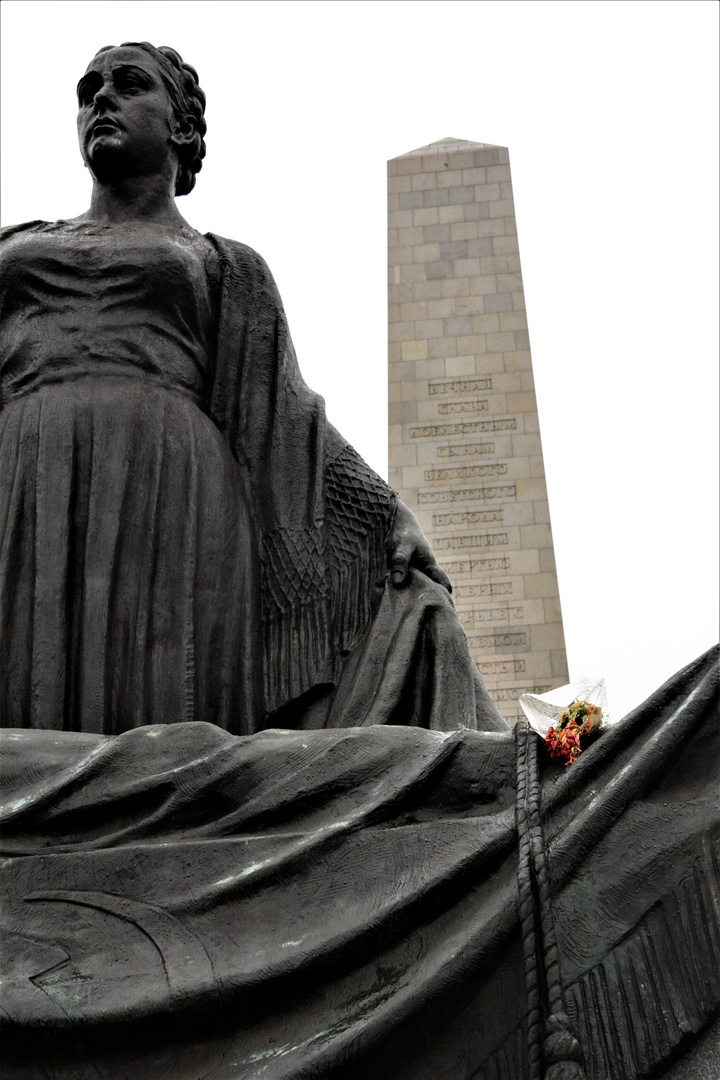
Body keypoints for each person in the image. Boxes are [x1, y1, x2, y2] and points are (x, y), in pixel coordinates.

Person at [0, 42, 507, 736]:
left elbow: (286, 420)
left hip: (170, 504)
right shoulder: (16, 243)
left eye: (127, 84)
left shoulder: (225, 264)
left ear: (181, 127)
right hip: (22, 482)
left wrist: (390, 518)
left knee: (159, 725)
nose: (100, 101)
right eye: (87, 91)